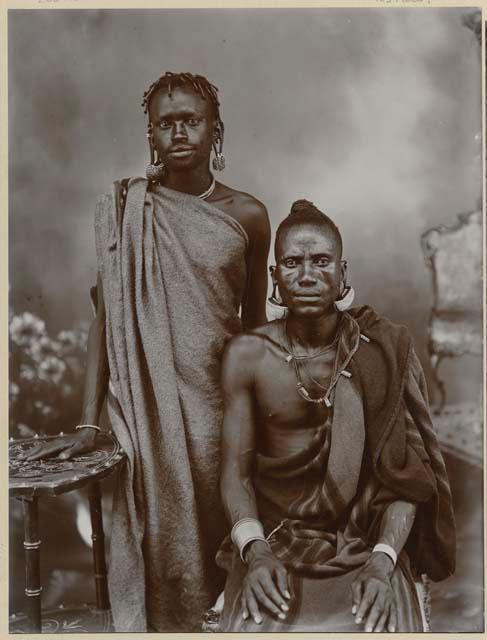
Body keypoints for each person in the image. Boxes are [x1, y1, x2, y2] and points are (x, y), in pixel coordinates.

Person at [22, 72, 271, 632]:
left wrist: (265, 416)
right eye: (166, 122)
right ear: (151, 136)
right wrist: (89, 422)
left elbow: (256, 331)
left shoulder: (249, 215)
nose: (179, 132)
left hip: (221, 409)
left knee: (227, 554)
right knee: (162, 555)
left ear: (215, 131)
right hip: (145, 414)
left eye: (191, 120)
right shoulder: (127, 208)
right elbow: (106, 321)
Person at [217, 199, 456, 632]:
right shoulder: (247, 355)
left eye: (321, 261)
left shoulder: (381, 351)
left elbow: (407, 478)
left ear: (343, 273)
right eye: (292, 262)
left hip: (365, 540)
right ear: (275, 277)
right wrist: (254, 552)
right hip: (274, 540)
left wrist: (383, 563)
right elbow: (236, 473)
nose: (307, 275)